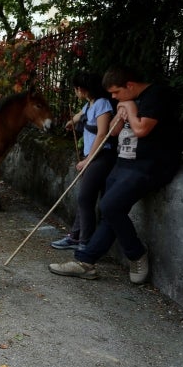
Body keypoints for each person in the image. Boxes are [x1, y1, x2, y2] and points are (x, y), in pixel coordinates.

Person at [49, 66, 181, 284]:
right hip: (125, 161)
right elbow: (115, 131)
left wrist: (129, 108)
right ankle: (85, 262)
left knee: (110, 206)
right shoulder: (127, 100)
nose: (113, 97)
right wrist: (121, 113)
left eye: (116, 92)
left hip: (149, 165)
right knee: (111, 210)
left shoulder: (156, 96)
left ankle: (136, 253)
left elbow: (141, 130)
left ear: (129, 85)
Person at [50, 72, 116, 250]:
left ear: (82, 89)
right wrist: (72, 121)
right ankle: (75, 236)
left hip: (101, 158)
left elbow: (102, 134)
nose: (75, 92)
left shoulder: (103, 104)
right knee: (84, 199)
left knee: (85, 198)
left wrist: (87, 160)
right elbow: (81, 115)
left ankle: (85, 243)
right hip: (92, 158)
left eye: (76, 89)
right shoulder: (90, 105)